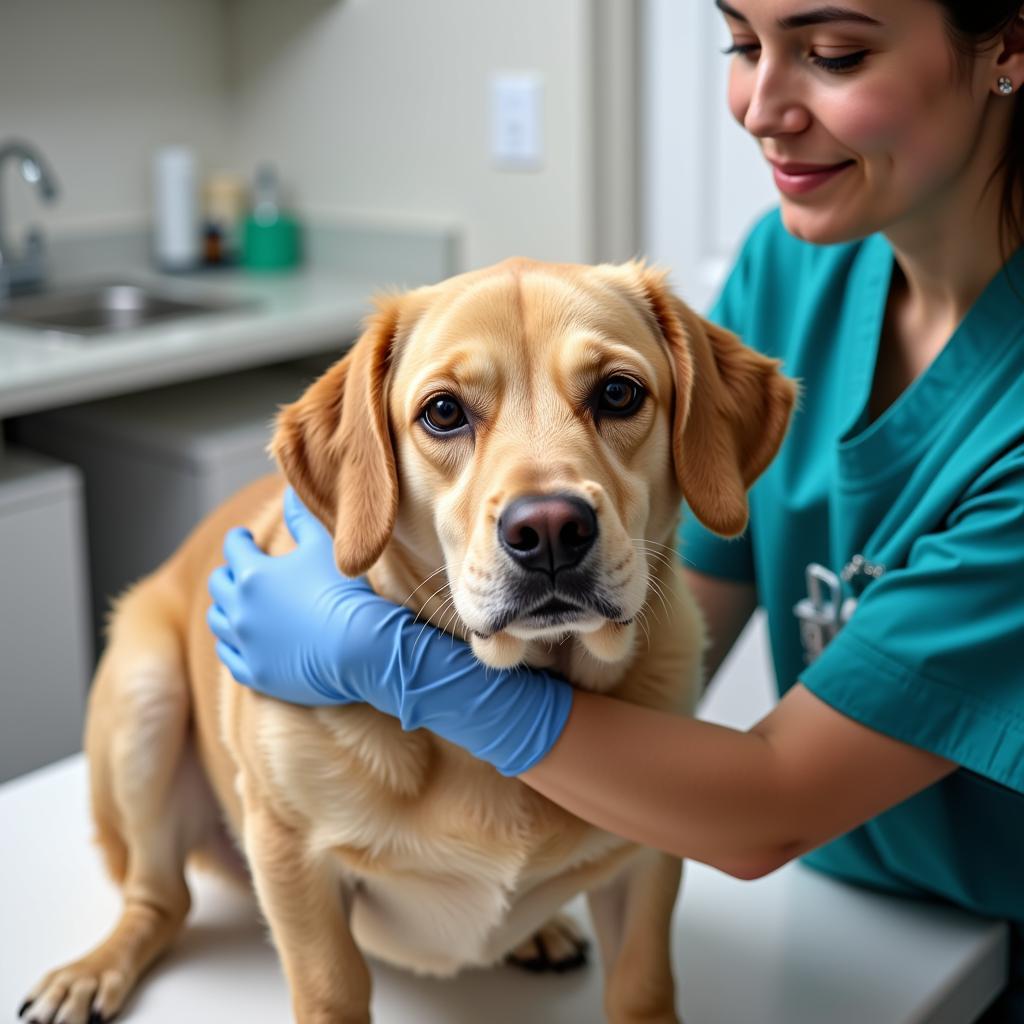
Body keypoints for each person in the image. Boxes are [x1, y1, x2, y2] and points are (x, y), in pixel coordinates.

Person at [207, 1, 1024, 1017]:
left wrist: (404, 667)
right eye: (739, 43)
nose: (759, 108)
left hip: (987, 933)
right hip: (837, 888)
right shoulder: (799, 259)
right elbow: (685, 618)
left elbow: (762, 815)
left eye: (831, 53)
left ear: (1008, 44)